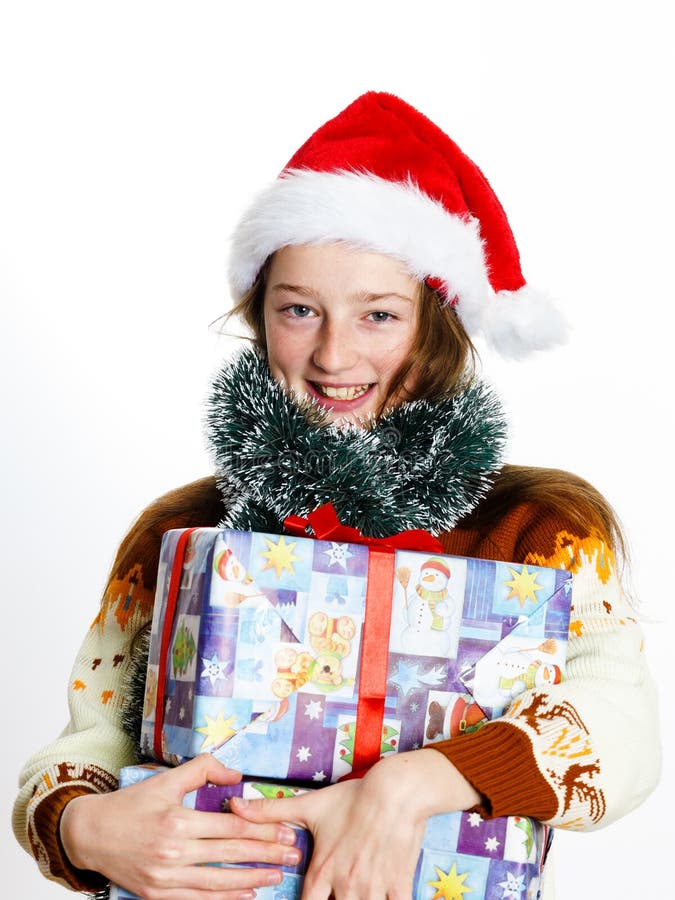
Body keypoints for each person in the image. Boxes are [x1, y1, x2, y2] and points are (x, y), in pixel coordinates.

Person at [13, 91, 660, 899]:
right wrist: (80, 824)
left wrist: (410, 784)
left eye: (379, 315)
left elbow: (623, 736)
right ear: (259, 317)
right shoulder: (183, 530)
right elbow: (88, 742)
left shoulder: (539, 527)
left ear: (437, 324)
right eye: (298, 310)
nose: (333, 353)